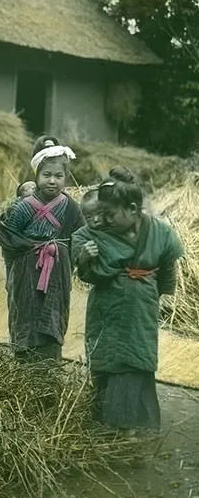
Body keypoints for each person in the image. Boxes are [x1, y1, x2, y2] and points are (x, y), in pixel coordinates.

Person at [73, 167, 182, 433]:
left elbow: (168, 267)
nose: (103, 220)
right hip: (106, 308)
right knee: (108, 358)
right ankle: (106, 422)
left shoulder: (160, 233)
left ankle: (138, 425)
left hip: (142, 307)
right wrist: (85, 258)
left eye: (110, 214)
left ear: (133, 209)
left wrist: (159, 295)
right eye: (100, 214)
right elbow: (83, 264)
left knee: (137, 360)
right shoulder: (95, 233)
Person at [0, 140, 83, 362]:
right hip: (27, 272)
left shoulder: (71, 208)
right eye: (46, 175)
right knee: (26, 312)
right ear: (36, 176)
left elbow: (80, 237)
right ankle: (25, 364)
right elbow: (8, 237)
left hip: (56, 273)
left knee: (54, 315)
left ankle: (50, 364)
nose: (52, 181)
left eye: (58, 176)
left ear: (66, 178)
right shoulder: (24, 207)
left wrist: (73, 258)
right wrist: (12, 271)